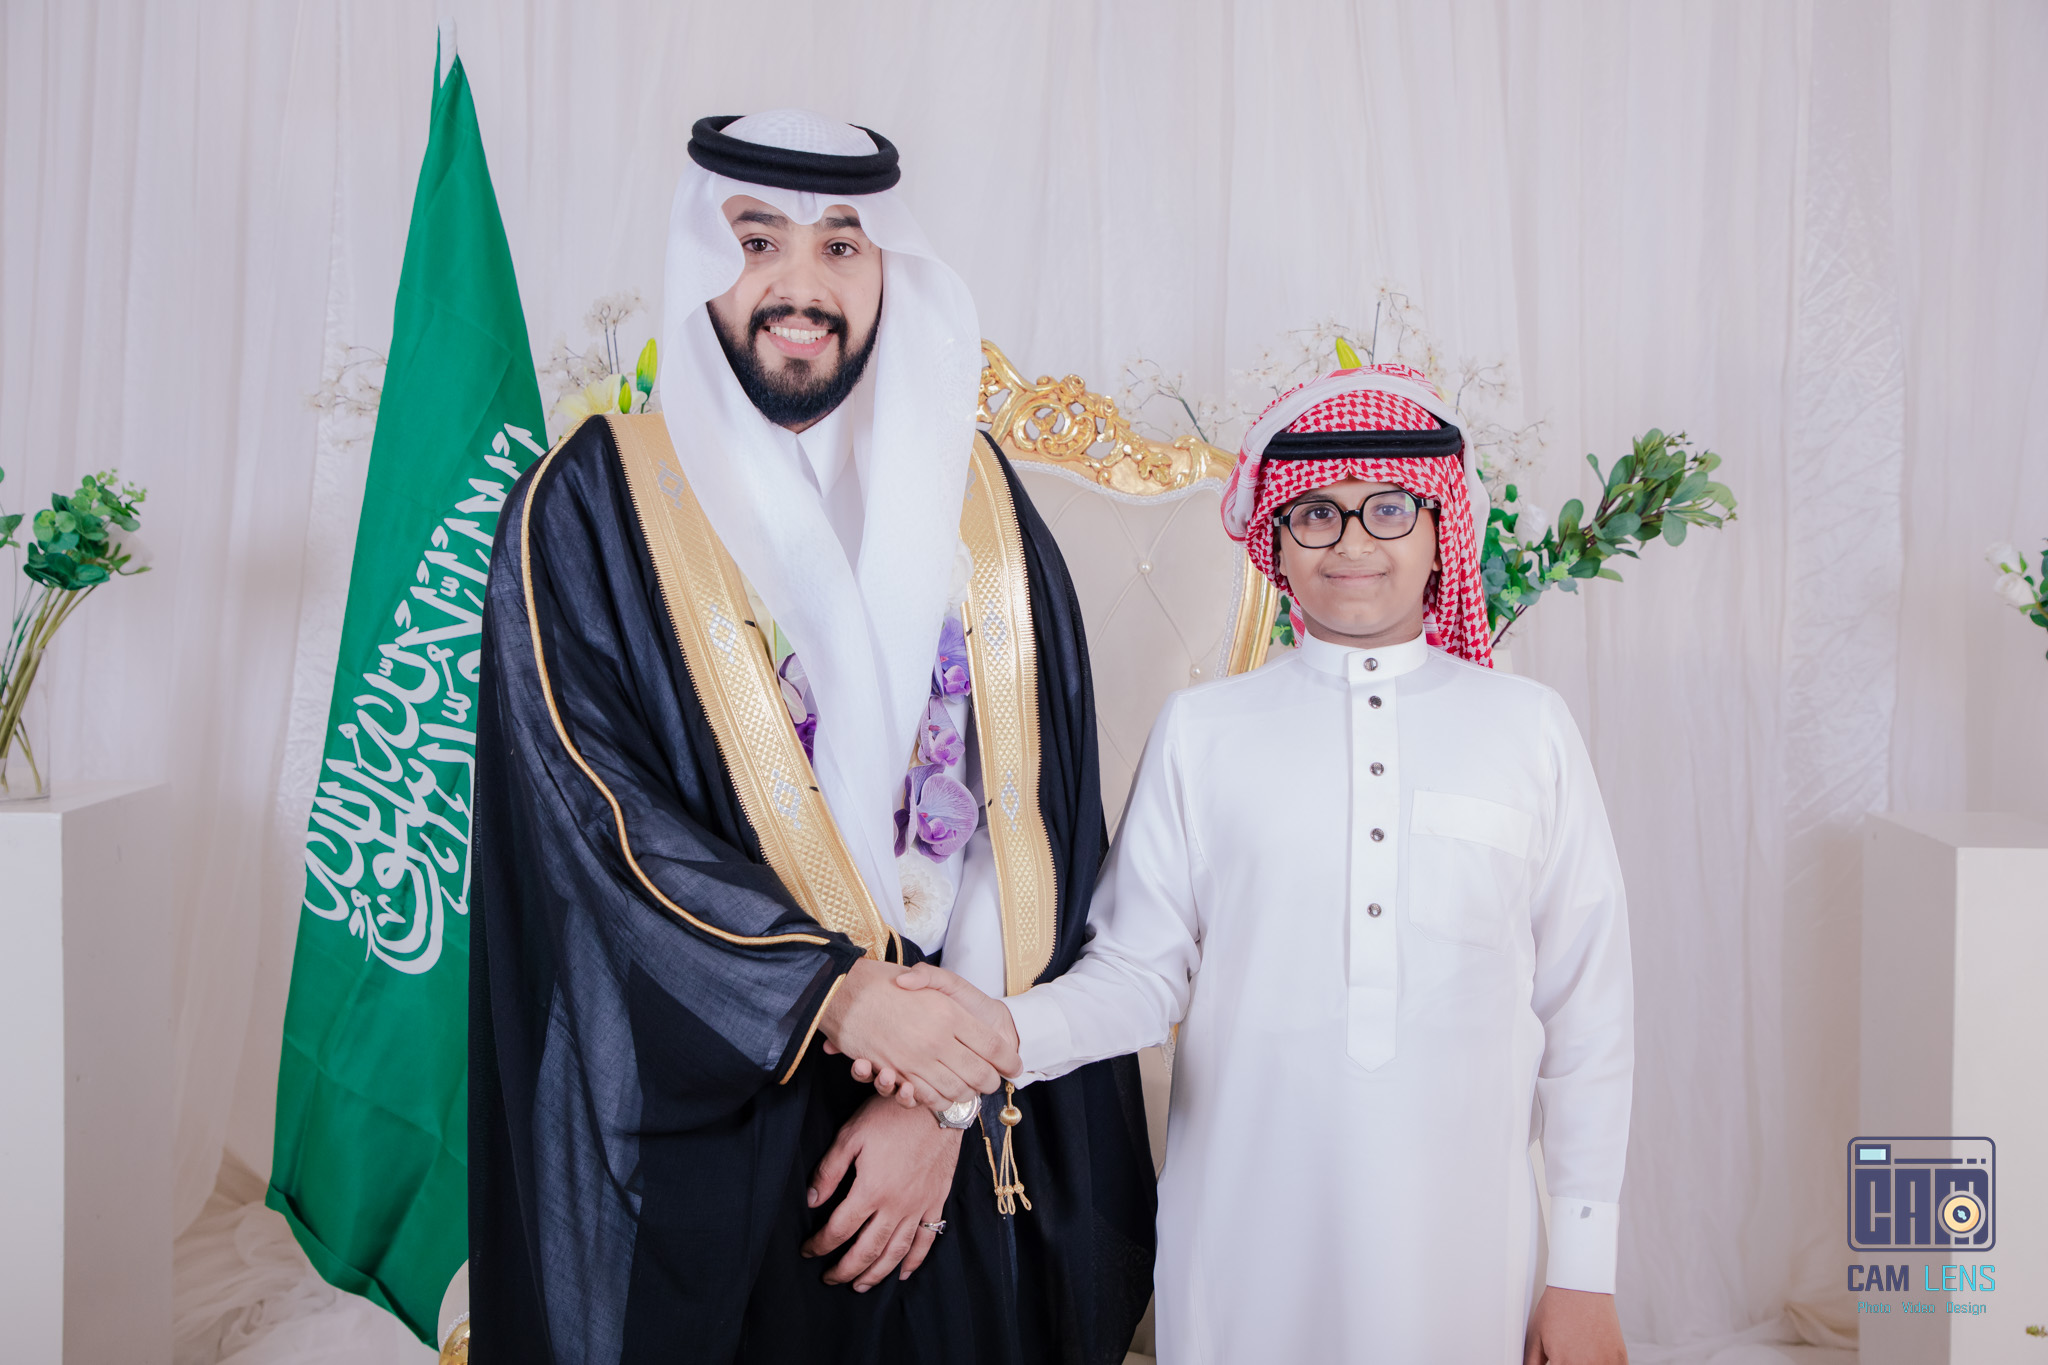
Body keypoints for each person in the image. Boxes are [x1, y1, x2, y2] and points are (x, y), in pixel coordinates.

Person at [469, 110, 1155, 1364]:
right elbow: (590, 815)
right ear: (700, 261)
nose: (801, 286)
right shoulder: (590, 502)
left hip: (966, 1093)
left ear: (887, 269)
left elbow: (1036, 813)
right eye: (756, 242)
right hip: (723, 1078)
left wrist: (943, 1094)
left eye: (841, 246)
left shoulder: (980, 499)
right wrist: (833, 999)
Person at [867, 361, 1635, 1362]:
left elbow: (1588, 1013)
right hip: (1244, 1235)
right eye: (1315, 513)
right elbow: (1139, 973)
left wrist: (1583, 1271)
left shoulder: (1529, 730)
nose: (1351, 542)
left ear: (1440, 527)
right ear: (1274, 537)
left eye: (1387, 509)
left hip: (1463, 1243)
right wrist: (995, 1032)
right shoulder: (1205, 731)